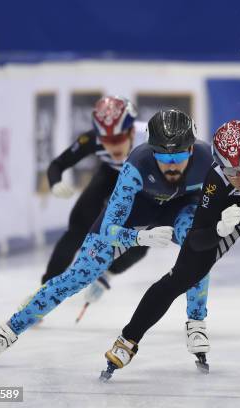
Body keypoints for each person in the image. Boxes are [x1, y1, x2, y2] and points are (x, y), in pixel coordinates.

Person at [0, 109, 217, 368]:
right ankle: (10, 329)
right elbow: (108, 228)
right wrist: (139, 237)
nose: (172, 164)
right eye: (162, 155)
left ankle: (196, 322)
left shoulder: (208, 160)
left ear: (192, 150)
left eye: (179, 155)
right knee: (78, 275)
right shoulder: (136, 165)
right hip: (138, 209)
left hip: (183, 207)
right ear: (151, 150)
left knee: (196, 245)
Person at [100, 120, 240, 389]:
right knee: (182, 275)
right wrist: (219, 228)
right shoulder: (217, 180)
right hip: (231, 210)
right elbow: (196, 239)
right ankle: (128, 339)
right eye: (231, 171)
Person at [43, 96, 149, 309]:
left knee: (140, 241)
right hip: (111, 174)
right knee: (78, 227)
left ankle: (108, 274)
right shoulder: (93, 139)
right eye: (107, 141)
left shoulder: (151, 138)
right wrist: (54, 183)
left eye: (118, 138)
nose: (114, 146)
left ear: (130, 132)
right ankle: (45, 290)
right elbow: (57, 164)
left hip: (146, 182)